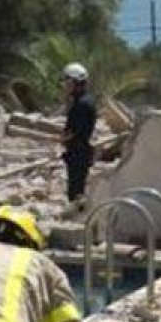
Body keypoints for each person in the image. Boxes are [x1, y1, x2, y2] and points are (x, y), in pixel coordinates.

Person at [59, 63, 97, 211]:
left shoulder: (81, 104)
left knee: (76, 191)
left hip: (78, 152)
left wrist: (62, 139)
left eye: (67, 82)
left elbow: (73, 131)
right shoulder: (83, 101)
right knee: (76, 189)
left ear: (74, 82)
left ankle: (76, 223)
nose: (65, 86)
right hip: (79, 152)